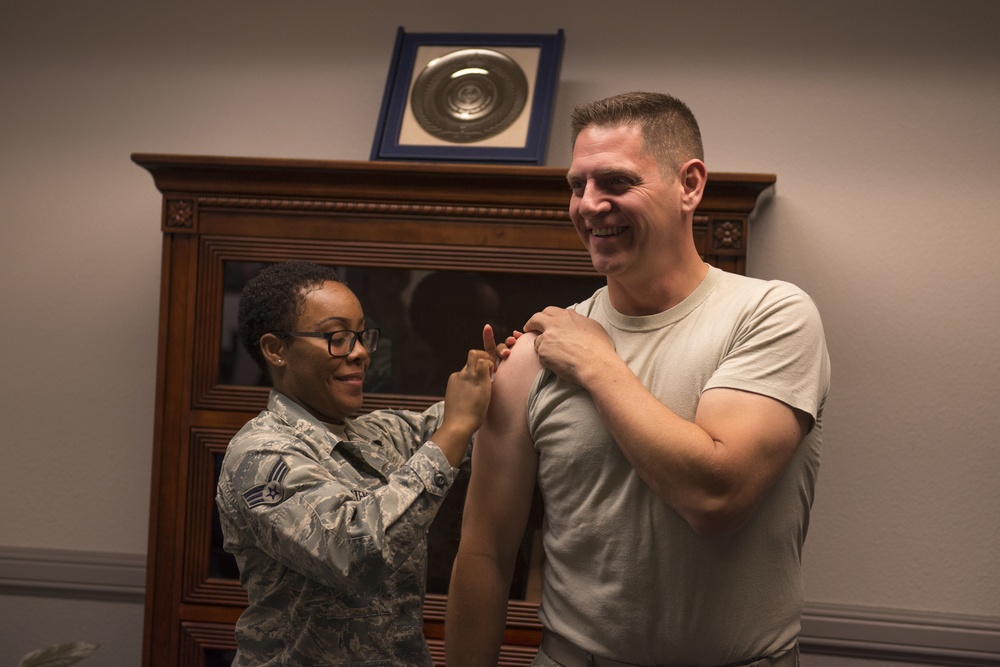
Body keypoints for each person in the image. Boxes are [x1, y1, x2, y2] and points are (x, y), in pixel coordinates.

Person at [446, 92, 831, 667]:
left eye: (616, 182)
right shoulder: (531, 356)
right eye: (577, 186)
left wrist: (597, 364)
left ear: (690, 185)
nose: (590, 205)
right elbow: (485, 553)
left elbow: (715, 495)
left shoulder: (771, 315)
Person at [215, 261, 495, 666]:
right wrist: (454, 429)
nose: (361, 353)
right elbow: (355, 553)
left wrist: (506, 372)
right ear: (276, 349)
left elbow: (473, 417)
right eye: (337, 338)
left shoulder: (376, 434)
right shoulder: (260, 455)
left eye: (362, 336)